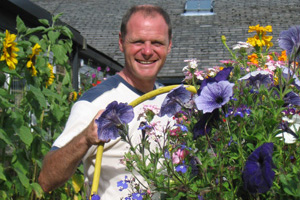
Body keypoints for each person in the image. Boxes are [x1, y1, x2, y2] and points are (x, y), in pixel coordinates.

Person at [38, 4, 172, 199]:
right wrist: (85, 138)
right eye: (138, 41)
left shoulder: (171, 100)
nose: (147, 51)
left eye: (157, 43)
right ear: (121, 42)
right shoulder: (95, 102)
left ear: (169, 45)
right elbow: (46, 180)